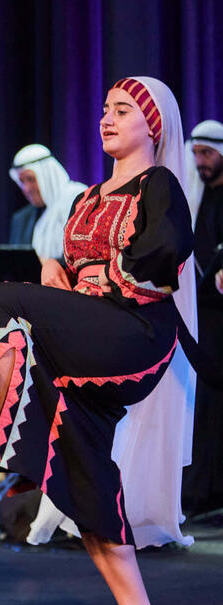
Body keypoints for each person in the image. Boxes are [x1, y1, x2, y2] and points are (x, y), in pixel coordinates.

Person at [0, 77, 194, 605]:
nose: (107, 117)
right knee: (83, 469)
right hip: (90, 344)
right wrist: (63, 278)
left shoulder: (161, 185)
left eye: (123, 109)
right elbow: (80, 278)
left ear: (151, 125)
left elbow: (168, 249)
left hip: (135, 336)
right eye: (104, 108)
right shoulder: (87, 198)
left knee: (3, 298)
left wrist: (106, 273)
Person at [182, 119, 223, 517]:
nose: (200, 161)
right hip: (205, 313)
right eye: (196, 154)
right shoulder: (200, 196)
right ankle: (203, 493)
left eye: (207, 154)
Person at [6, 144, 88, 259]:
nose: (26, 189)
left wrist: (48, 265)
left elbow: (83, 255)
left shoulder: (79, 200)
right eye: (21, 181)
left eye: (30, 179)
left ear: (47, 175)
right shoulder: (22, 219)